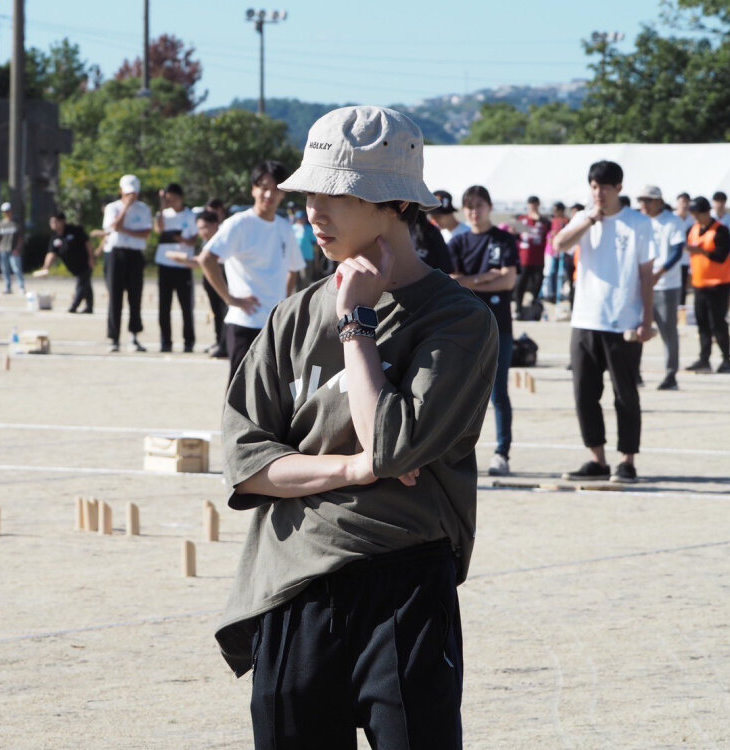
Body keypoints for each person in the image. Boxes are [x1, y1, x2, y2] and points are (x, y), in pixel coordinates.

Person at [215, 105, 497, 749]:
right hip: (293, 579)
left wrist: (357, 325)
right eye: (310, 191)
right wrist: (350, 470)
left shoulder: (457, 321)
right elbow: (246, 458)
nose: (315, 209)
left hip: (404, 579)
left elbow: (392, 444)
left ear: (397, 200)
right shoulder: (292, 315)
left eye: (338, 192)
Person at [553, 160, 655, 484]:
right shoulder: (583, 217)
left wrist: (647, 319)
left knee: (625, 394)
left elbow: (646, 274)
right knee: (584, 392)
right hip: (585, 318)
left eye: (605, 187)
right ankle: (597, 459)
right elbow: (559, 245)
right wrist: (589, 221)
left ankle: (628, 461)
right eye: (594, 187)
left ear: (619, 188)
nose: (599, 193)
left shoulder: (638, 223)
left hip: (623, 320)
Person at [199, 160, 305, 382]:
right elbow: (206, 258)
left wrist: (283, 305)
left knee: (272, 393)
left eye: (276, 189)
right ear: (254, 189)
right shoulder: (238, 224)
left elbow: (293, 270)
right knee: (240, 391)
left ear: (283, 193)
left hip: (275, 326)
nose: (269, 194)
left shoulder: (285, 228)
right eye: (264, 187)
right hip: (244, 323)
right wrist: (230, 298)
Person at [447, 185, 519, 476]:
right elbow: (452, 280)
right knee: (461, 394)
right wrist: (486, 278)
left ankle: (502, 451)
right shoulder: (457, 242)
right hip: (465, 325)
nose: (474, 212)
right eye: (469, 206)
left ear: (489, 207)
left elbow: (508, 281)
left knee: (498, 392)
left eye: (479, 205)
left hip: (500, 324)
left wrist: (472, 281)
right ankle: (457, 452)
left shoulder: (503, 239)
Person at [637, 185, 686, 390]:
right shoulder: (639, 221)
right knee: (636, 328)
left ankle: (670, 374)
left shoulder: (672, 221)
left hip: (665, 285)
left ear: (658, 201)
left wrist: (659, 272)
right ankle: (633, 371)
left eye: (648, 200)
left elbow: (677, 252)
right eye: (642, 201)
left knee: (668, 330)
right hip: (641, 282)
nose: (644, 205)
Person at [103, 174, 153, 352]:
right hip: (116, 254)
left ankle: (134, 336)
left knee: (135, 296)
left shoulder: (144, 209)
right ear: (121, 192)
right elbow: (113, 226)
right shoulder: (113, 207)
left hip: (135, 255)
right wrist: (125, 209)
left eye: (134, 194)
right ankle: (114, 338)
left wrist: (126, 230)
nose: (132, 197)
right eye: (128, 194)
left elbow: (146, 233)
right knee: (115, 297)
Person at [684, 196, 730, 373]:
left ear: (706, 212)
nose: (695, 218)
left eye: (698, 214)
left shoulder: (721, 230)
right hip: (699, 284)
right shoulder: (693, 229)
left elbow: (721, 256)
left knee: (718, 323)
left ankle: (726, 359)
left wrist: (702, 251)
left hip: (719, 285)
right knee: (702, 323)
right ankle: (704, 359)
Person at [154, 183, 198, 352]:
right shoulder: (164, 214)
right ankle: (166, 342)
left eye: (173, 198)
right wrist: (161, 205)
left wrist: (183, 240)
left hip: (183, 265)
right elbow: (159, 229)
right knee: (164, 307)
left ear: (181, 197)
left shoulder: (190, 215)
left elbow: (194, 239)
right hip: (165, 264)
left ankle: (189, 341)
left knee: (186, 307)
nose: (171, 202)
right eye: (168, 199)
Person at [34, 211, 94, 313]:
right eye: (51, 222)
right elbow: (51, 254)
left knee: (81, 284)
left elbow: (88, 243)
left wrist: (92, 258)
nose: (53, 224)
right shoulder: (55, 238)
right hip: (73, 267)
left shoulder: (75, 230)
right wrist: (46, 268)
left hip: (84, 263)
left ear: (62, 222)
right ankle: (89, 307)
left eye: (55, 222)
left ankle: (74, 306)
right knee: (86, 286)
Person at [201, 199, 230, 357]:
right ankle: (219, 340)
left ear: (222, 211)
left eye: (214, 210)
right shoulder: (210, 228)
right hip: (211, 273)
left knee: (224, 309)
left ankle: (224, 344)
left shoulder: (227, 228)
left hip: (224, 273)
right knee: (216, 311)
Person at [514, 195, 549, 315]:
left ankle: (534, 306)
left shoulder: (544, 221)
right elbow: (514, 236)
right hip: (524, 259)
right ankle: (518, 307)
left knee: (537, 284)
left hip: (538, 259)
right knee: (521, 284)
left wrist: (539, 219)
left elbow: (550, 231)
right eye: (531, 205)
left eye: (535, 204)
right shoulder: (522, 220)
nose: (533, 207)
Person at [0, 201, 26, 294]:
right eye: (4, 211)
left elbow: (20, 238)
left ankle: (21, 286)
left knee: (16, 269)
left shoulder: (16, 223)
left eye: (8, 211)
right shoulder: (0, 224)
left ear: (11, 211)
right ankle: (8, 287)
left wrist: (18, 249)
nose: (6, 213)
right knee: (5, 270)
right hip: (3, 250)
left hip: (14, 250)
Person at [544, 201, 570, 303]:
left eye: (556, 210)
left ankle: (562, 293)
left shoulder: (566, 221)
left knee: (564, 273)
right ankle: (553, 293)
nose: (554, 212)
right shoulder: (554, 221)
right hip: (554, 252)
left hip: (563, 251)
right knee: (552, 272)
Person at [674, 192, 695, 305]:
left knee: (683, 287)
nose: (685, 205)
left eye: (687, 202)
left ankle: (681, 310)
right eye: (682, 201)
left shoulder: (693, 220)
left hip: (686, 259)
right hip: (672, 258)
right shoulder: (671, 218)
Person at [292, 209, 318, 284]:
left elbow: (314, 242)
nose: (302, 220)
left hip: (308, 256)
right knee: (296, 279)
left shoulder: (309, 229)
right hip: (295, 257)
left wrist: (316, 255)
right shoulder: (292, 228)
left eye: (303, 218)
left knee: (306, 278)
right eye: (300, 218)